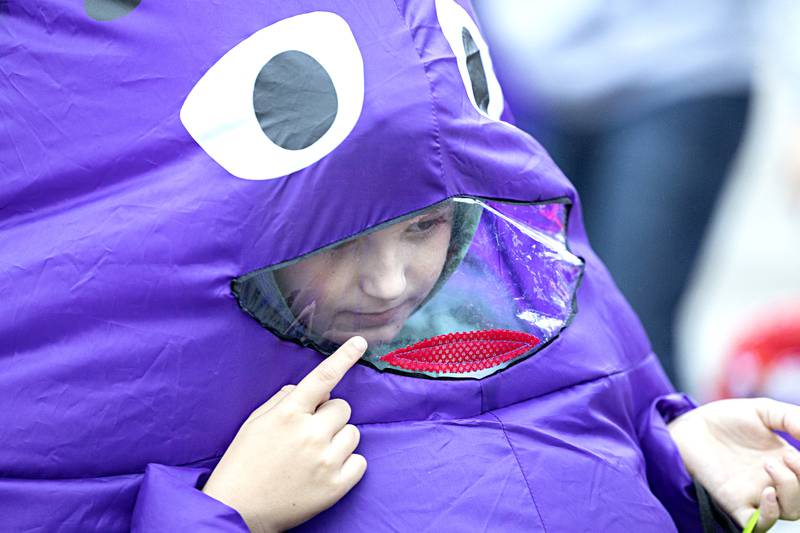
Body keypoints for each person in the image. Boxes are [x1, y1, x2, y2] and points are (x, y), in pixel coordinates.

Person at [0, 1, 799, 532]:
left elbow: (555, 432)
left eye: (424, 227)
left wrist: (678, 452)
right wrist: (231, 511)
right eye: (340, 243)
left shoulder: (500, 283)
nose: (391, 282)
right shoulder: (160, 366)